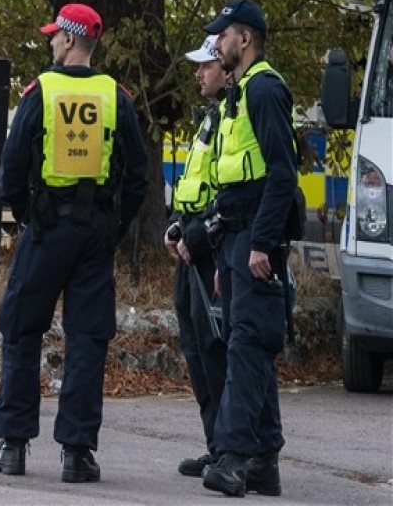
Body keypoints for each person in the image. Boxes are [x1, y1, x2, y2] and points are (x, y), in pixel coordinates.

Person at [0, 2, 148, 483]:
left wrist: (26, 220)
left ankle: (13, 446)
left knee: (22, 328)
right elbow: (137, 177)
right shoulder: (115, 96)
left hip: (47, 227)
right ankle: (77, 454)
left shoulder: (43, 90)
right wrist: (110, 230)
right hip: (94, 232)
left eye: (56, 35)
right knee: (87, 338)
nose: (51, 42)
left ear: (71, 40)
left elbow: (12, 169)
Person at [200, 0, 296, 498]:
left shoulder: (263, 90)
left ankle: (236, 459)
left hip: (255, 238)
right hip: (238, 239)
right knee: (251, 345)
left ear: (246, 38)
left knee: (246, 347)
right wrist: (229, 255)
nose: (217, 44)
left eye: (224, 34)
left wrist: (260, 244)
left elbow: (282, 174)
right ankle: (264, 460)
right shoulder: (242, 92)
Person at [164, 34, 229, 478]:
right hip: (191, 251)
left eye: (206, 65)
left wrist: (197, 238)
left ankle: (231, 448)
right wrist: (175, 224)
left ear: (226, 70)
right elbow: (195, 185)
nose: (198, 73)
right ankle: (216, 444)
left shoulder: (233, 117)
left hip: (212, 255)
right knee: (197, 353)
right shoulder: (210, 117)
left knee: (217, 352)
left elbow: (230, 195)